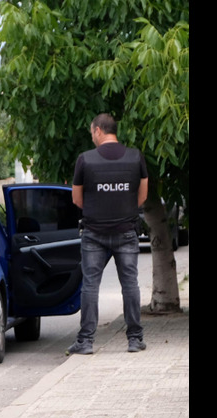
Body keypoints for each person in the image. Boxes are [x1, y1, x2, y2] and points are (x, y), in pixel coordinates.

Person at [66, 113, 149, 356]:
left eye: (92, 132)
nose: (92, 137)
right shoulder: (135, 157)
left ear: (99, 131)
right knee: (130, 284)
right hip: (126, 232)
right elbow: (142, 196)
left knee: (90, 286)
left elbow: (76, 199)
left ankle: (86, 342)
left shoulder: (85, 160)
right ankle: (135, 339)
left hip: (94, 233)